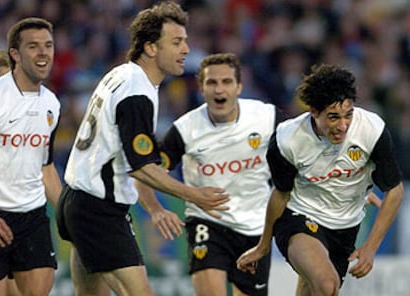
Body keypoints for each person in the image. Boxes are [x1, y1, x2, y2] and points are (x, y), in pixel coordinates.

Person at [55, 2, 229, 296]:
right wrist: (194, 195)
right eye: (176, 42)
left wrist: (155, 209)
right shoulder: (137, 91)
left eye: (185, 40)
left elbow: (129, 160)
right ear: (150, 47)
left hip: (78, 201)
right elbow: (141, 166)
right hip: (99, 209)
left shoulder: (122, 75)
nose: (186, 49)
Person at [236, 64, 403, 296]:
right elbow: (281, 193)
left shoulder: (371, 130)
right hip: (300, 217)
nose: (342, 126)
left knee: (317, 289)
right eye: (333, 117)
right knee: (326, 284)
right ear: (314, 111)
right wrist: (264, 245)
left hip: (345, 228)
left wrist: (370, 248)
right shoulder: (288, 140)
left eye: (348, 115)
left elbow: (395, 190)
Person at [144, 52, 285, 296]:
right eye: (212, 82)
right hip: (207, 223)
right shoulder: (185, 129)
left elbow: (303, 152)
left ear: (239, 86)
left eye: (226, 82)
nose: (219, 89)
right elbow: (146, 172)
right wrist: (156, 210)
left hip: (255, 228)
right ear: (201, 88)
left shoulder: (267, 118)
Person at [0, 17, 63, 296]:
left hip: (33, 216)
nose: (43, 53)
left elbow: (45, 167)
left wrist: (69, 212)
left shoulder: (52, 103)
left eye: (48, 45)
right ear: (15, 54)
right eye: (33, 46)